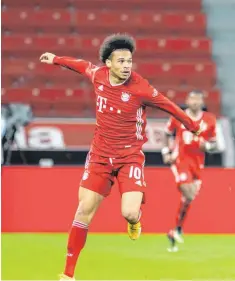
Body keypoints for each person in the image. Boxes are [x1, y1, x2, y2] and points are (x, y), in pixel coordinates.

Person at [39, 33, 201, 281]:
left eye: (130, 61)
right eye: (122, 61)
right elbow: (80, 65)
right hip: (100, 156)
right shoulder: (98, 76)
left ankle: (135, 220)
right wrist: (56, 59)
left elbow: (168, 105)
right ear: (108, 64)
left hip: (130, 157)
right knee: (83, 210)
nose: (127, 66)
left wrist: (191, 125)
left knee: (129, 213)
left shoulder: (140, 87)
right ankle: (68, 274)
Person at [161, 90, 221, 252]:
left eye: (197, 99)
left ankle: (176, 230)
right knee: (188, 193)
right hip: (181, 160)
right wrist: (167, 152)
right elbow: (166, 133)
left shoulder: (209, 119)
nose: (194, 102)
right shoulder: (178, 115)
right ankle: (177, 229)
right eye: (192, 99)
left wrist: (207, 146)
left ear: (202, 102)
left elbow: (214, 143)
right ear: (187, 101)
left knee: (189, 197)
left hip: (198, 163)